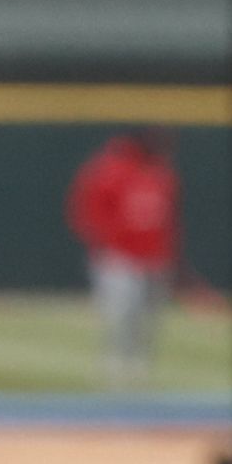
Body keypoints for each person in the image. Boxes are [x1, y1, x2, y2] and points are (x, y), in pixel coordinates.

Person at [67, 128, 181, 388]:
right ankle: (115, 363)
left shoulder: (162, 173)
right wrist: (107, 244)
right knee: (120, 312)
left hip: (154, 257)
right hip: (119, 258)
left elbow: (169, 219)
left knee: (149, 316)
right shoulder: (109, 170)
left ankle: (140, 365)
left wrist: (170, 254)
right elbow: (87, 212)